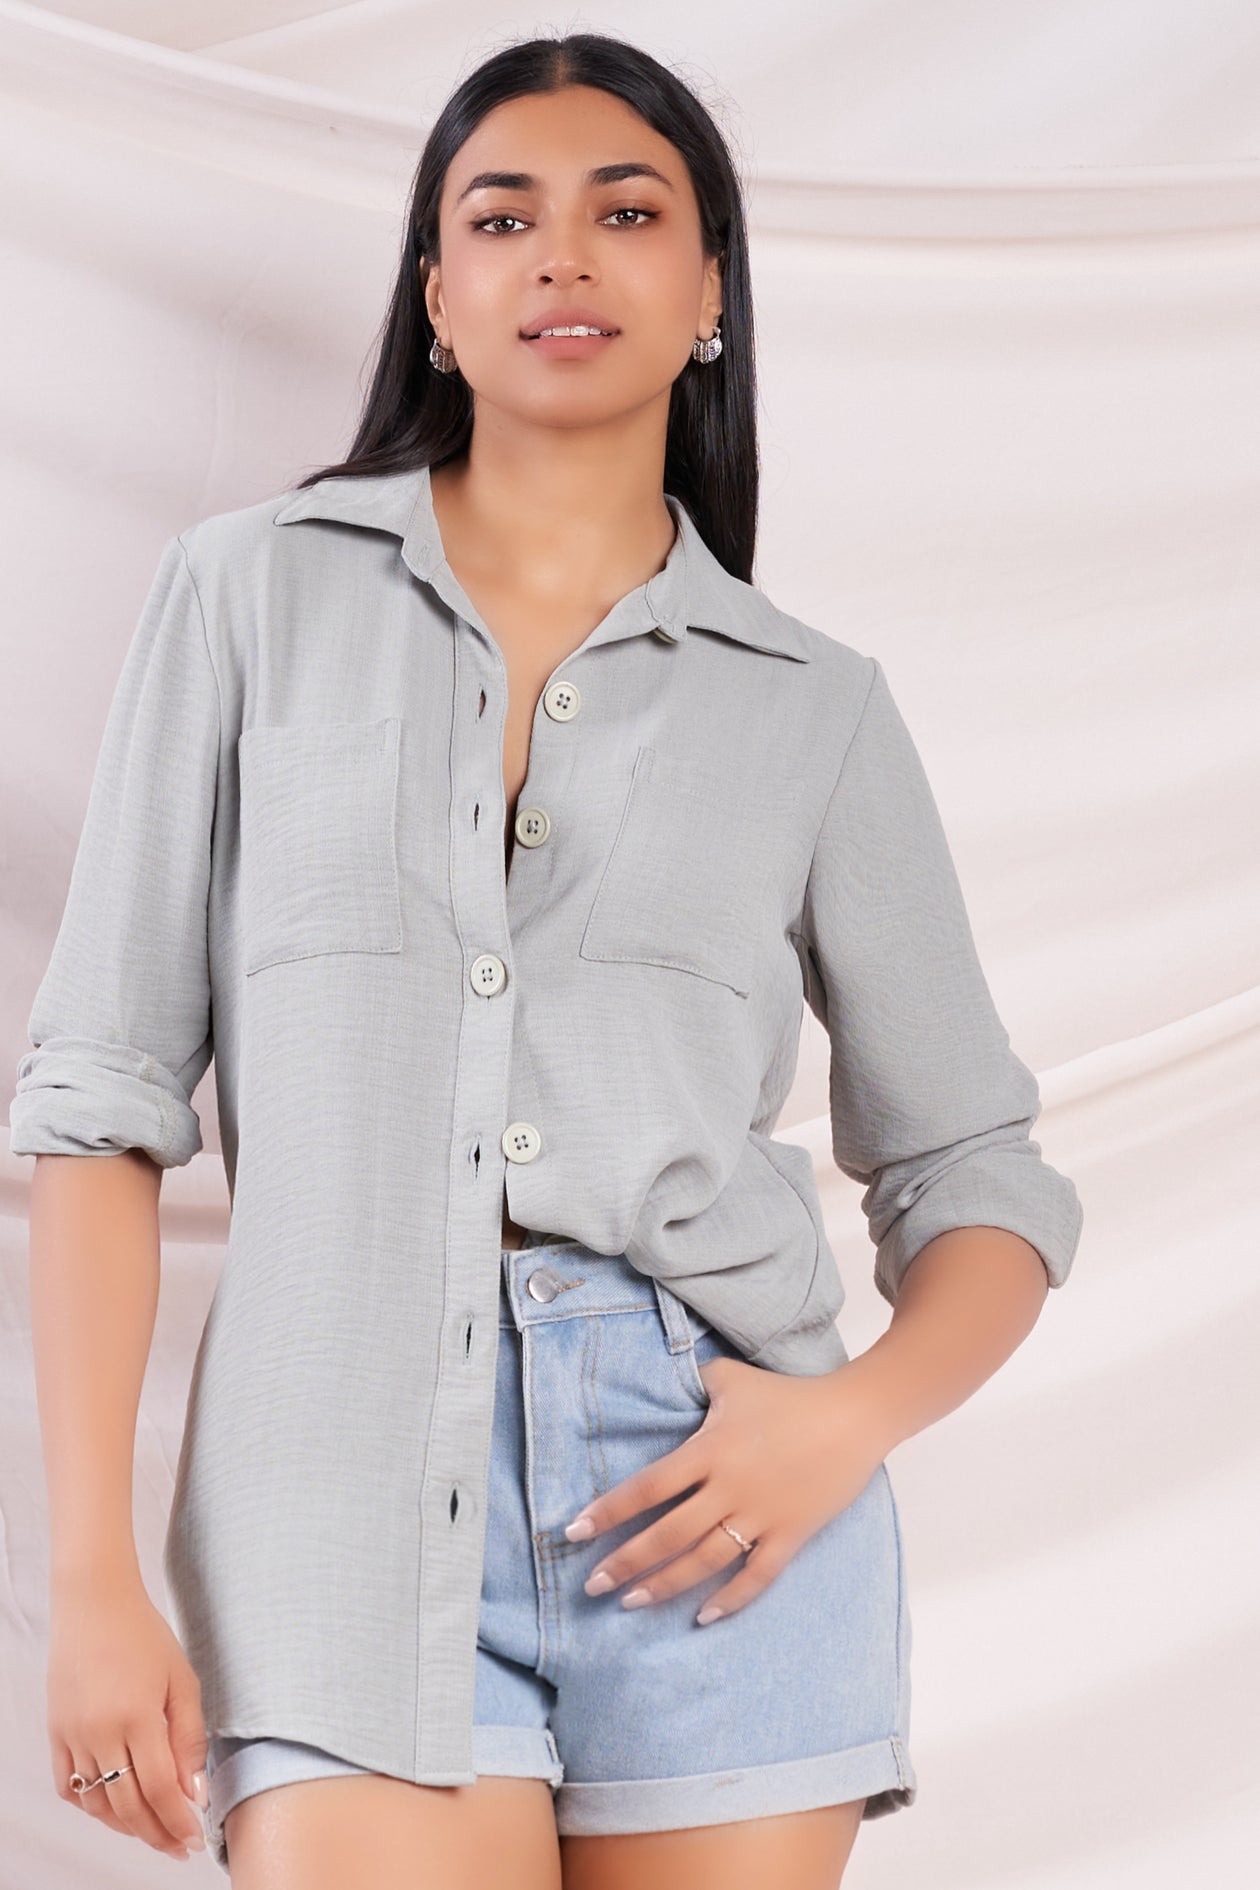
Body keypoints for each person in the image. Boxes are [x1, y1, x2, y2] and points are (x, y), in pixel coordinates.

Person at [11, 30, 1084, 1890]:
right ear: (436, 297)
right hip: (332, 1511)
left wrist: (845, 1420)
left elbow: (976, 1171)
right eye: (502, 217)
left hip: (720, 1513)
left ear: (711, 291)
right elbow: (101, 1100)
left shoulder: (814, 707)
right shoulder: (248, 596)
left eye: (628, 212)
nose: (563, 254)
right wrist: (91, 1573)